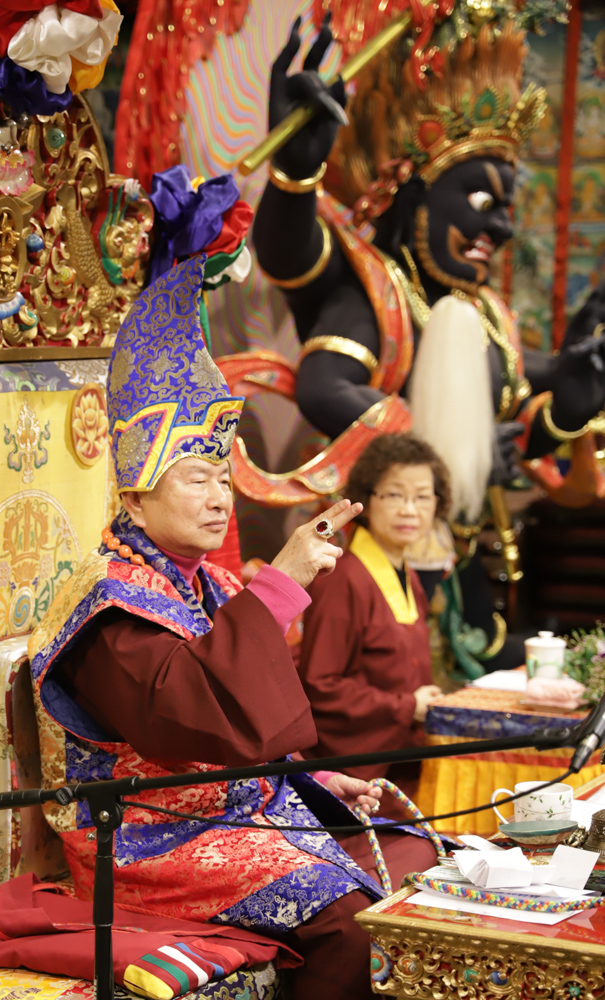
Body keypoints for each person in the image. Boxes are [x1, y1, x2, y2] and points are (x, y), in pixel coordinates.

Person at [28, 257, 440, 1000]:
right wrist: (281, 584)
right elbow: (192, 722)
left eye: (225, 475)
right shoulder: (112, 608)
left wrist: (317, 780)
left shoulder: (200, 583)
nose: (219, 497)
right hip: (145, 838)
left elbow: (255, 724)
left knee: (413, 859)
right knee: (345, 921)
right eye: (197, 476)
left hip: (227, 808)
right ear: (137, 491)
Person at [251, 3, 605, 678]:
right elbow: (321, 375)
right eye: (482, 203)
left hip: (465, 582)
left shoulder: (485, 316)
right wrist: (294, 177)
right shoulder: (376, 294)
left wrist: (566, 406)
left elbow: (508, 441)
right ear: (413, 197)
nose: (501, 229)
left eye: (507, 209)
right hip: (370, 571)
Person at [299, 435, 449, 798]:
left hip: (404, 758)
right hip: (358, 777)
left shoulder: (409, 576)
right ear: (366, 499)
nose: (409, 510)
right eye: (394, 495)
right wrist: (408, 706)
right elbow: (320, 686)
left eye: (422, 497)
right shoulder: (342, 579)